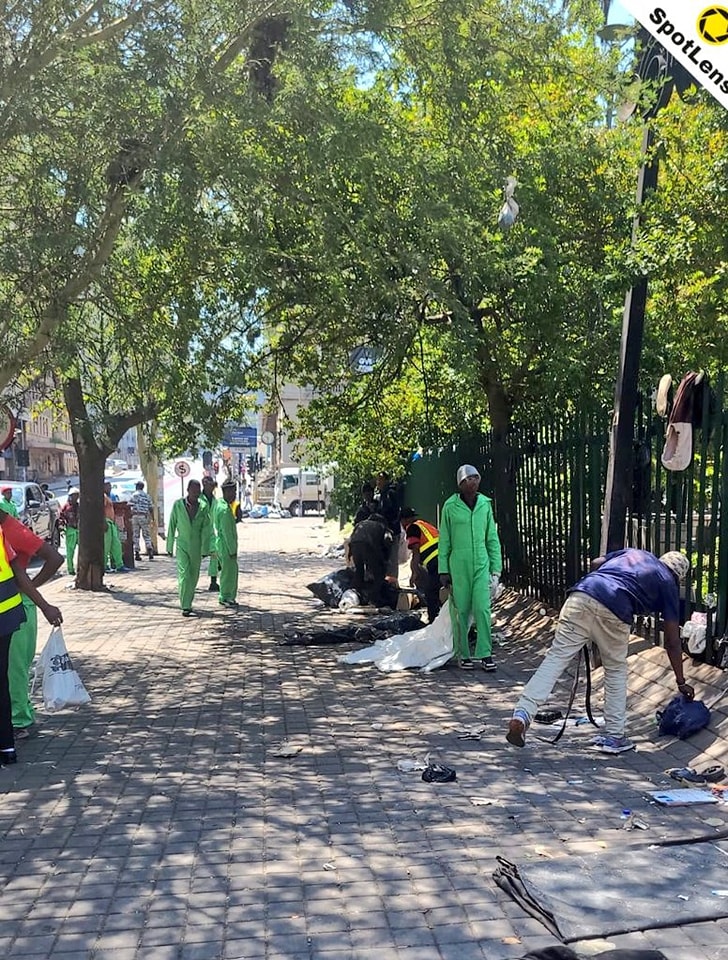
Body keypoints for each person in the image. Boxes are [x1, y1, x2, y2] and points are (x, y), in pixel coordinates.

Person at [506, 549, 694, 755]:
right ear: (679, 577)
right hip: (616, 608)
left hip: (582, 594)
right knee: (615, 670)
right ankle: (614, 736)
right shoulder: (668, 582)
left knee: (555, 659)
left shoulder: (635, 554)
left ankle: (523, 714)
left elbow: (596, 562)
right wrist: (681, 681)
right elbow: (672, 642)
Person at [0, 523, 62, 765]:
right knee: (2, 682)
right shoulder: (1, 534)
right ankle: (7, 748)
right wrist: (44, 606)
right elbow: (18, 573)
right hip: (7, 617)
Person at [439, 464, 502, 671]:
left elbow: (492, 538)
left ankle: (485, 653)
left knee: (483, 608)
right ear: (460, 483)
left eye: (476, 478)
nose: (473, 482)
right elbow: (445, 540)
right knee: (461, 610)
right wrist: (444, 571)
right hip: (458, 565)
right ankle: (463, 653)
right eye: (469, 479)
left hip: (481, 564)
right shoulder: (450, 507)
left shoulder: (485, 504)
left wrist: (496, 569)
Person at [166, 479, 212, 617]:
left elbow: (207, 529)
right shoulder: (178, 505)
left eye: (198, 492)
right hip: (182, 545)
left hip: (196, 547)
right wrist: (169, 546)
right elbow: (172, 525)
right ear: (188, 490)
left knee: (193, 576)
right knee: (184, 574)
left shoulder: (203, 507)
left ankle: (188, 601)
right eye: (193, 491)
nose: (196, 494)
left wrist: (207, 548)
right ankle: (185, 605)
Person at [400, 507, 441, 623]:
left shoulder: (411, 528)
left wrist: (414, 573)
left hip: (435, 561)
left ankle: (434, 621)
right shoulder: (423, 524)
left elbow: (416, 551)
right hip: (445, 558)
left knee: (430, 592)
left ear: (404, 520)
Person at [349, 512, 394, 608]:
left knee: (359, 571)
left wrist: (349, 553)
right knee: (378, 574)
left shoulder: (360, 524)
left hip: (355, 546)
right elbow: (388, 540)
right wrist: (385, 558)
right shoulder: (382, 526)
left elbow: (351, 539)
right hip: (368, 546)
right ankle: (374, 599)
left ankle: (355, 595)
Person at [213, 480, 239, 609]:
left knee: (228, 572)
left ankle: (228, 596)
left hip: (222, 544)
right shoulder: (224, 510)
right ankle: (225, 596)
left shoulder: (221, 505)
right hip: (226, 546)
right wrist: (232, 549)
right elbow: (228, 532)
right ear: (226, 492)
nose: (234, 495)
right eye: (233, 491)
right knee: (228, 573)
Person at [375, 472, 402, 579]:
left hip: (392, 531)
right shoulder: (381, 494)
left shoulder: (390, 493)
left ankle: (393, 583)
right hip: (383, 531)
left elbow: (394, 511)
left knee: (392, 559)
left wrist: (389, 525)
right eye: (377, 480)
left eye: (380, 479)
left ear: (386, 480)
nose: (378, 482)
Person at [103, 481, 128, 573]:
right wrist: (103, 522)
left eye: (110, 487)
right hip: (106, 522)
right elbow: (100, 509)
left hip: (111, 523)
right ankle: (104, 565)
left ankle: (119, 564)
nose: (109, 488)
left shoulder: (109, 497)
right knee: (106, 545)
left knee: (116, 544)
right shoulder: (103, 496)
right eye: (107, 487)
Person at [200, 476, 219, 592]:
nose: (212, 487)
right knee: (195, 560)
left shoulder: (215, 500)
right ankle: (190, 581)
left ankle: (213, 581)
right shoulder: (198, 499)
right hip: (199, 534)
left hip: (211, 533)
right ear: (205, 484)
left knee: (215, 555)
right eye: (210, 485)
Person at [129, 481, 155, 561]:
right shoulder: (147, 496)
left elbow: (130, 506)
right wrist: (152, 518)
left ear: (137, 487)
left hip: (135, 516)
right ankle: (150, 550)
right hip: (144, 516)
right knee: (146, 534)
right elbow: (151, 508)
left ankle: (137, 553)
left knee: (136, 535)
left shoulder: (134, 495)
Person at [59, 487, 80, 575]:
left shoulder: (79, 506)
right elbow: (61, 518)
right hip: (70, 530)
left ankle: (80, 568)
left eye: (77, 496)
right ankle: (70, 569)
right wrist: (62, 529)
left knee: (82, 551)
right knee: (70, 551)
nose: (75, 498)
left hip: (79, 530)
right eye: (74, 496)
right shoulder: (66, 507)